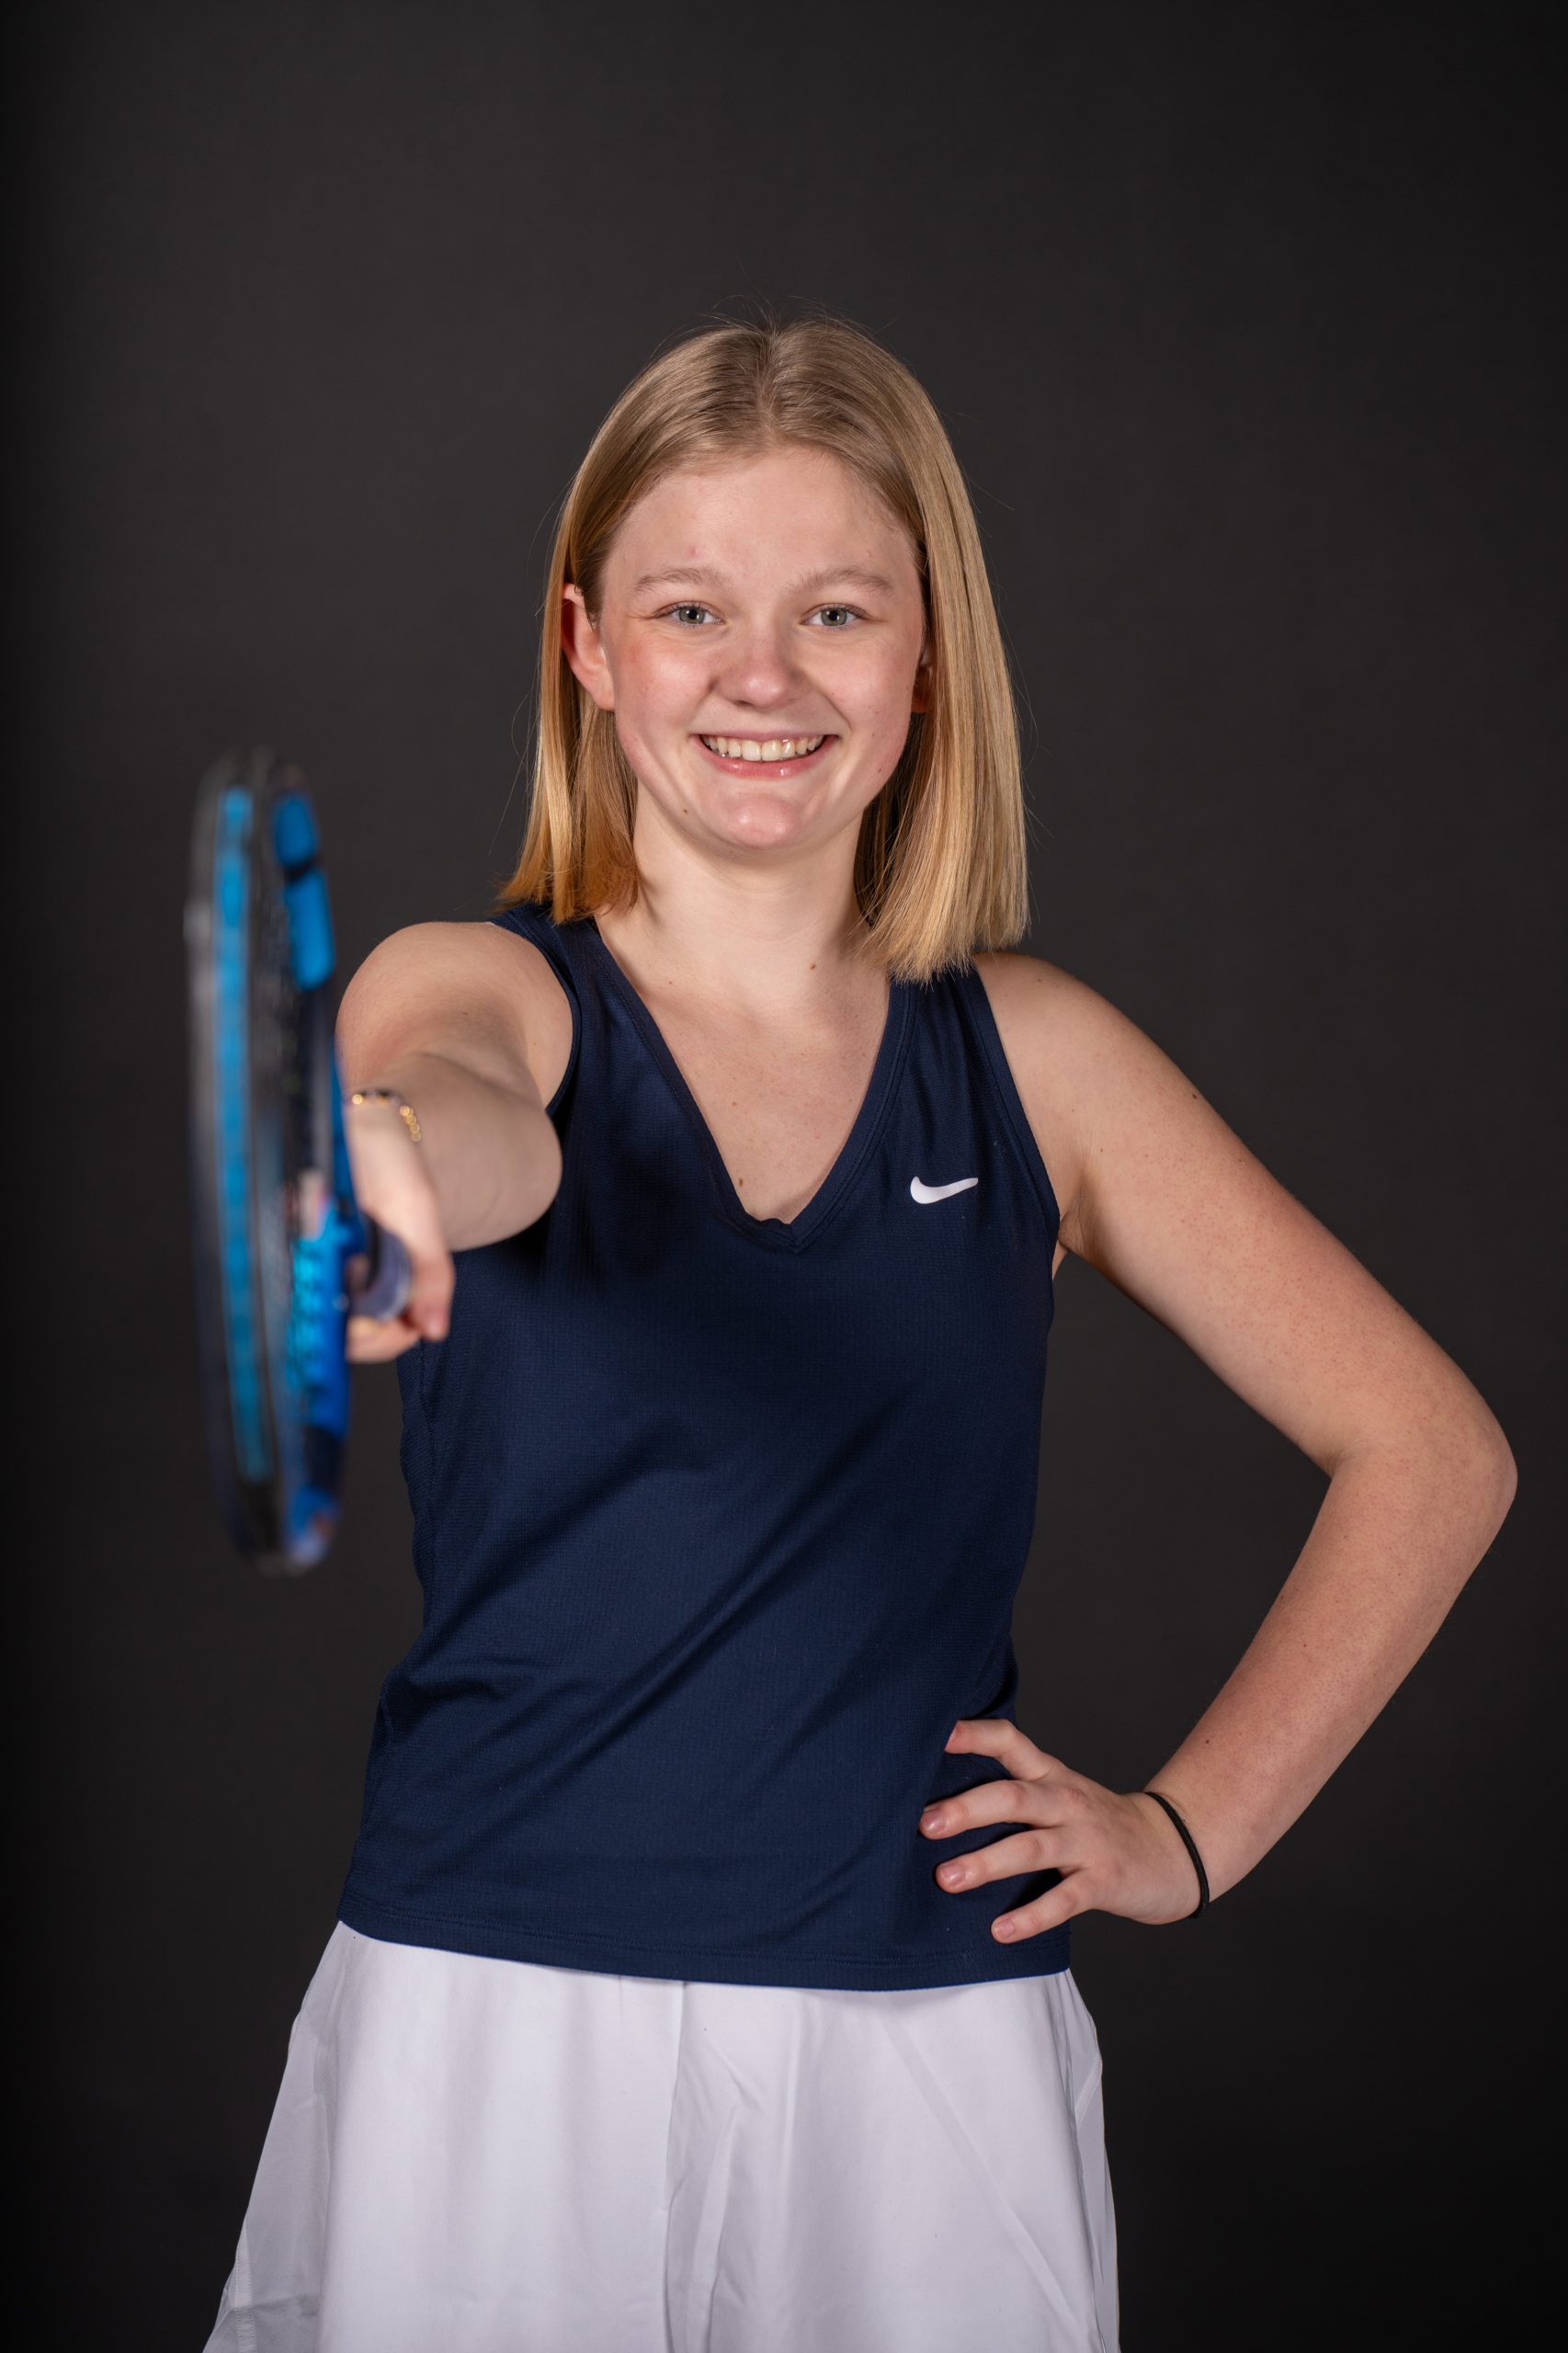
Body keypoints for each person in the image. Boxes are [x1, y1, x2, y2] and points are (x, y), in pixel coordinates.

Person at [203, 311, 1517, 2353]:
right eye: (690, 609)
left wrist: (1184, 1834)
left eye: (835, 609)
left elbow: (1432, 1451)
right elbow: (467, 1111)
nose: (762, 675)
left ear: (927, 657)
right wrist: (382, 1162)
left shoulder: (1038, 1061)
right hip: (495, 2013)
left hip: (927, 2052)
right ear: (587, 647)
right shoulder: (480, 987)